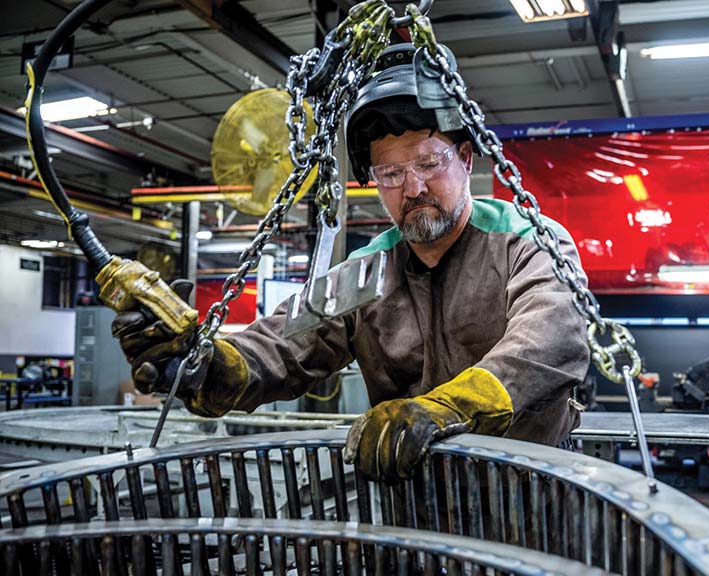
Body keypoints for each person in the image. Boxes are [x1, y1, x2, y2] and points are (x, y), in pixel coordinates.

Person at [109, 44, 590, 484]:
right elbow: (284, 342)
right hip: (415, 509)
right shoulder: (365, 271)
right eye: (391, 173)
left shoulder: (525, 242)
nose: (413, 188)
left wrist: (448, 408)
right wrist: (208, 365)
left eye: (428, 163)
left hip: (531, 497)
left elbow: (551, 340)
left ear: (465, 158)